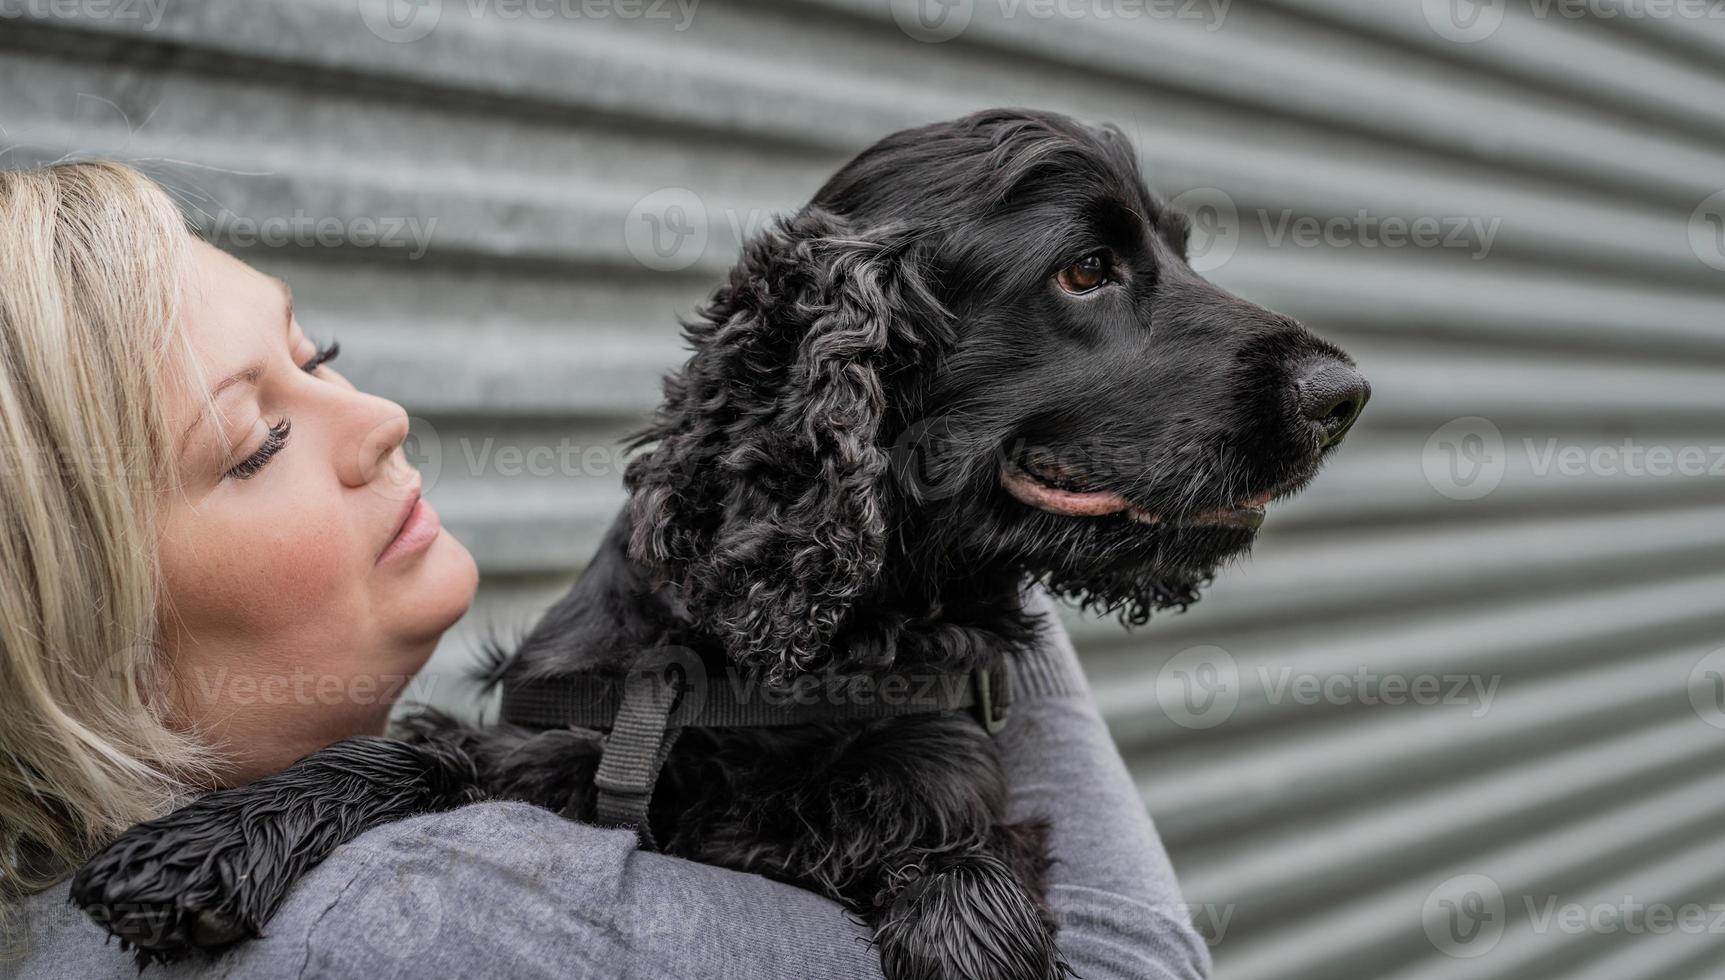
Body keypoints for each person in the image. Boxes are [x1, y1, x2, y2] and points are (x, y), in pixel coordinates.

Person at [0, 162, 1211, 980]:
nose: (378, 414)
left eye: (322, 354)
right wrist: (950, 488)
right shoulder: (422, 917)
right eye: (256, 441)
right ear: (68, 615)